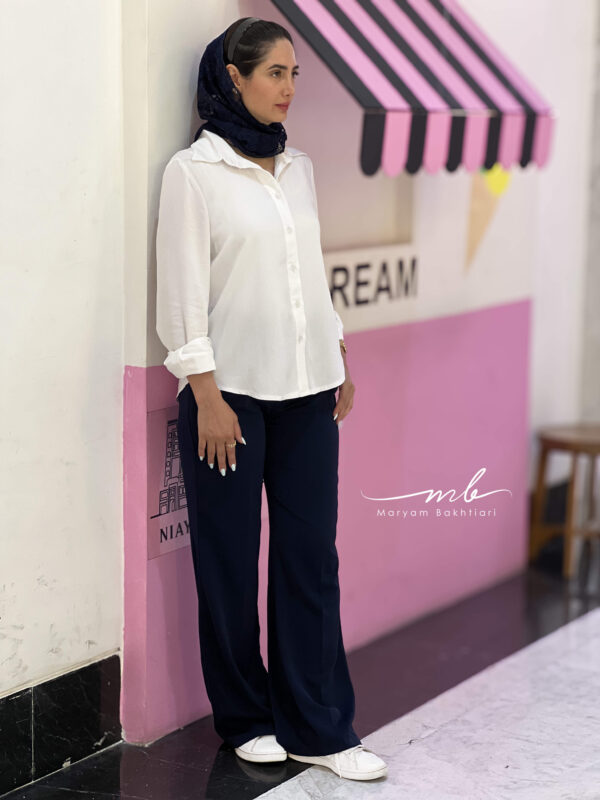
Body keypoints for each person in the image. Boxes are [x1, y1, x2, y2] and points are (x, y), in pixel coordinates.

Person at [155, 16, 388, 783]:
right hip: (230, 398)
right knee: (229, 560)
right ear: (234, 78)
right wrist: (206, 393)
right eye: (275, 73)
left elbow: (307, 272)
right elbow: (182, 294)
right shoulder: (195, 172)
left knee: (311, 558)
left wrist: (336, 350)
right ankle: (246, 718)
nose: (289, 88)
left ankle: (320, 725)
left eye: (294, 74)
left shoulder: (299, 168)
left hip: (308, 390)